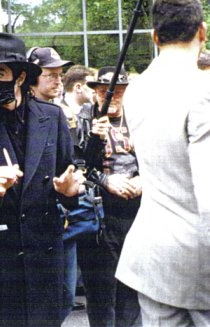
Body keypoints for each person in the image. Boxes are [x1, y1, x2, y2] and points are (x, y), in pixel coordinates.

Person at [0, 32, 84, 326]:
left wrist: (69, 192)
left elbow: (67, 175)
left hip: (44, 257)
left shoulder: (52, 117)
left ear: (20, 77)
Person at [116, 0, 210, 325]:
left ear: (155, 37)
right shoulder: (204, 90)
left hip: (153, 254)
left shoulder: (136, 90)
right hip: (201, 259)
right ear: (202, 31)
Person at [75, 66, 142, 327]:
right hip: (99, 215)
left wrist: (143, 180)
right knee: (101, 289)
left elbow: (156, 159)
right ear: (95, 93)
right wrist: (105, 180)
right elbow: (78, 166)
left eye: (118, 92)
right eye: (105, 92)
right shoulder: (84, 119)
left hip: (135, 211)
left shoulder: (137, 119)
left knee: (132, 287)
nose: (111, 97)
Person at [26, 47, 84, 316]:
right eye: (50, 75)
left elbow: (69, 161)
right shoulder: (18, 116)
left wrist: (72, 182)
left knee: (65, 296)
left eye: (60, 75)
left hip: (60, 215)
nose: (58, 81)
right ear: (30, 78)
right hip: (30, 221)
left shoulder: (58, 114)